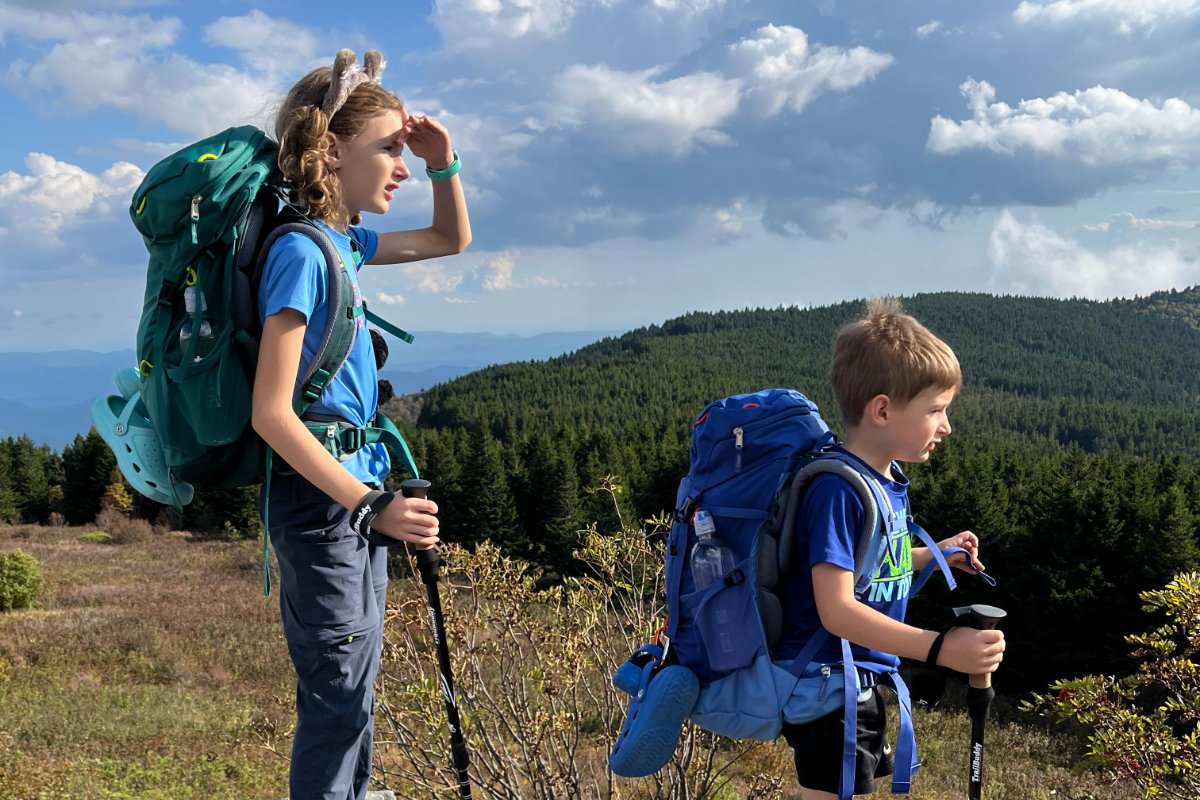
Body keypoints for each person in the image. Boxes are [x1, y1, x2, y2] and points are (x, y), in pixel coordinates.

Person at [251, 49, 470, 800]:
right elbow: (272, 413)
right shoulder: (301, 253)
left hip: (352, 499)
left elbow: (449, 240)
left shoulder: (342, 243)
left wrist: (445, 164)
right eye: (390, 149)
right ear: (332, 152)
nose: (401, 168)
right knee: (337, 699)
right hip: (328, 507)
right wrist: (369, 504)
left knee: (355, 686)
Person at [775, 297, 1005, 800]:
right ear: (882, 409)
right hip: (830, 688)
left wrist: (932, 555)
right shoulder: (838, 491)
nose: (946, 426)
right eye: (936, 411)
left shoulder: (884, 480)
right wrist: (942, 648)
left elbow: (868, 568)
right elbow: (836, 609)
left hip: (856, 685)